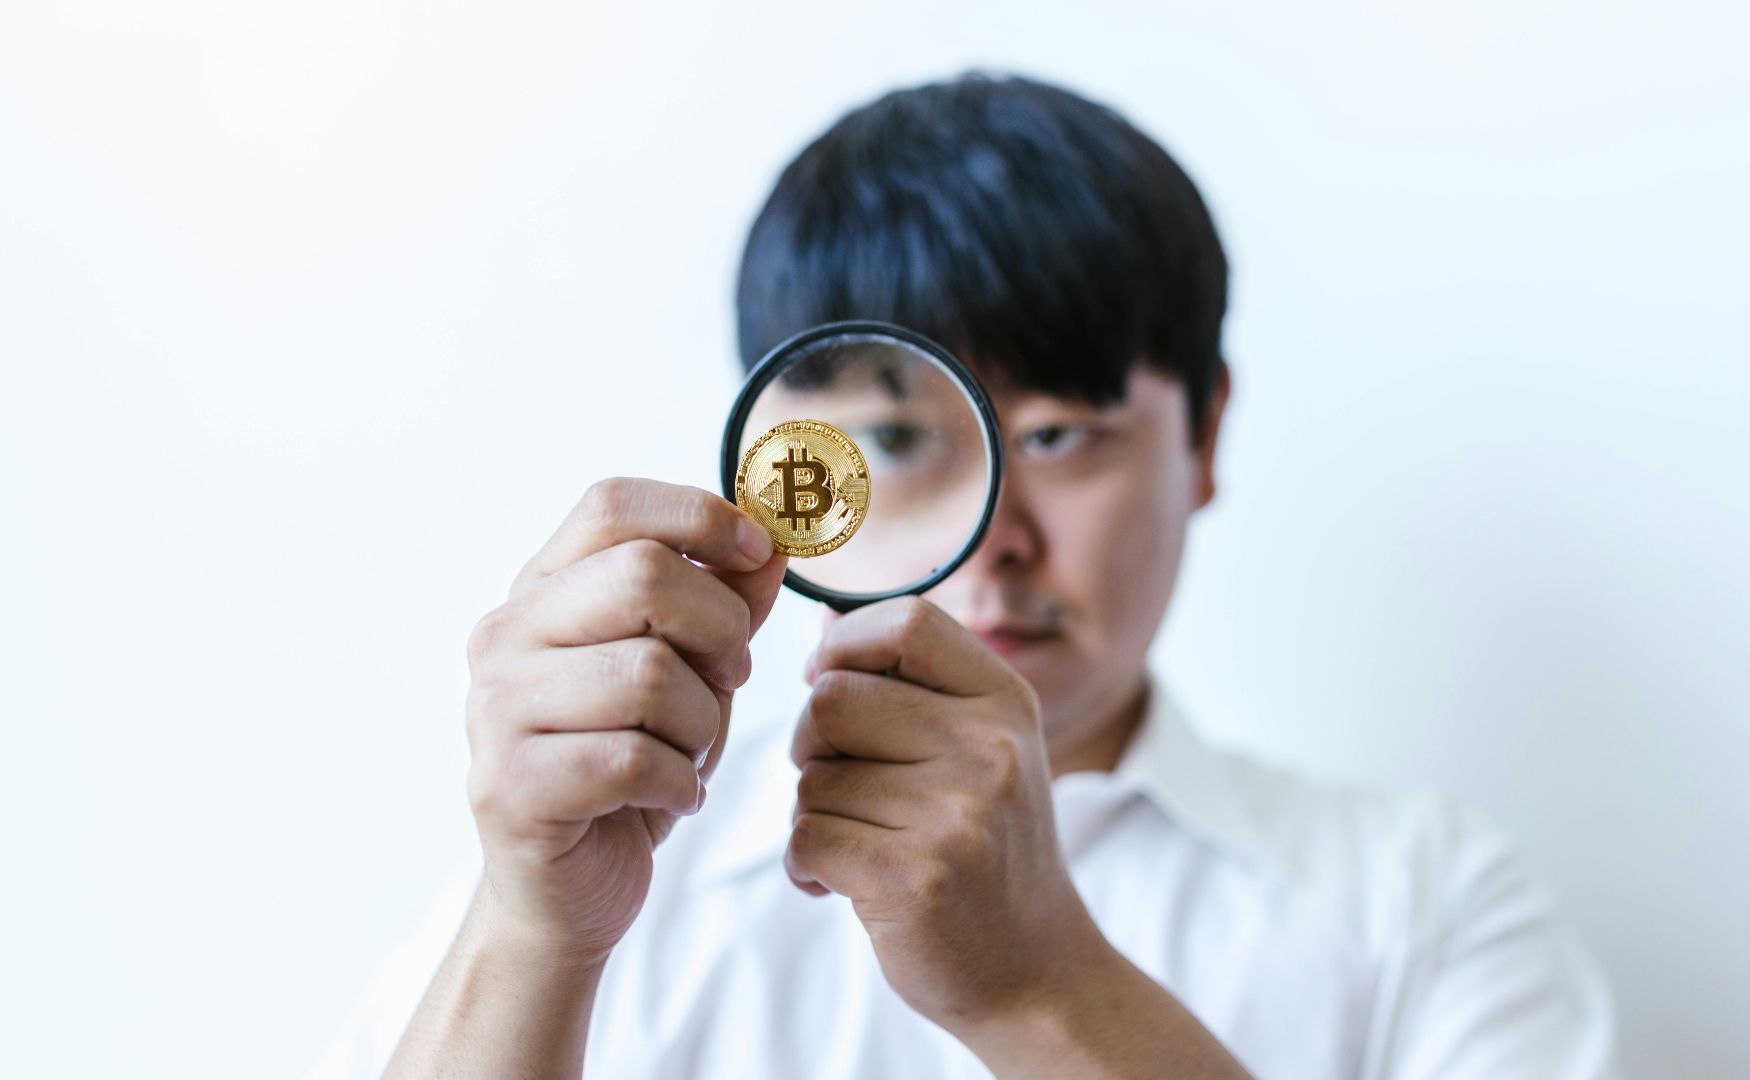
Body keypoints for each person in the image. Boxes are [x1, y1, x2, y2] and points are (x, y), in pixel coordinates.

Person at [307, 71, 1619, 1079]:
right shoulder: (596, 861)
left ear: (1206, 436)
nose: (995, 541)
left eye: (1058, 437)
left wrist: (1040, 985)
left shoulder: (1428, 904)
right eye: (892, 440)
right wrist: (535, 933)